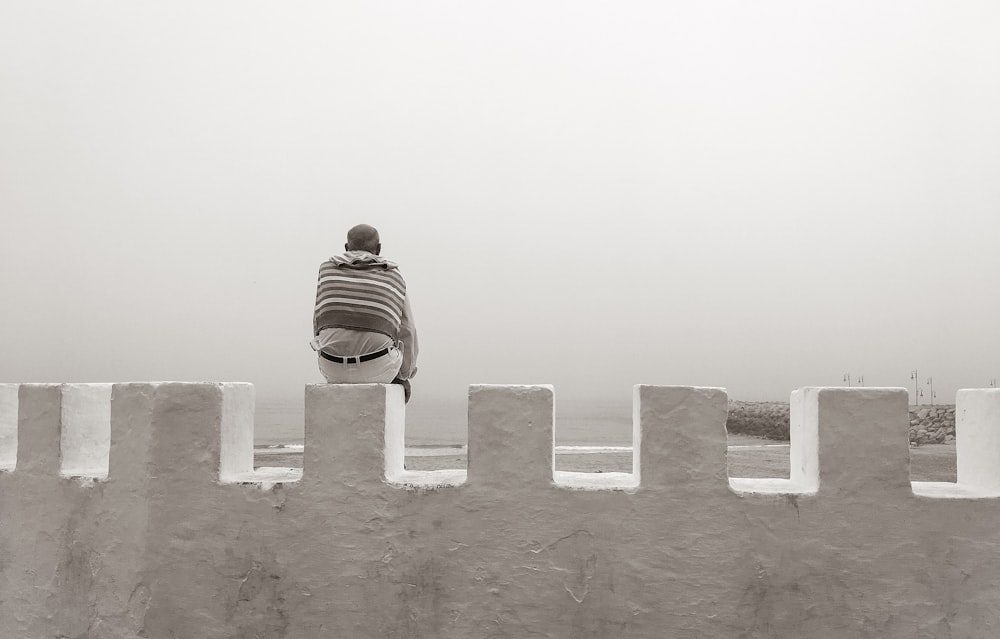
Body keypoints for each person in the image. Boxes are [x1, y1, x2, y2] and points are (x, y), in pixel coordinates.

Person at [310, 224, 418, 402]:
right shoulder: (392, 274)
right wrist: (404, 376)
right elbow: (408, 329)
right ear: (379, 249)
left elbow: (318, 321)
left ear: (346, 247)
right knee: (397, 338)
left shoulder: (327, 269)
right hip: (379, 369)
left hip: (332, 368)